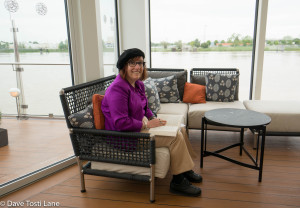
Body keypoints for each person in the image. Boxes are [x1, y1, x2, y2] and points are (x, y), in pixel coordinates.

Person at [101, 48, 202, 197]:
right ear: (123, 66)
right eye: (132, 63)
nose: (137, 67)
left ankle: (185, 170)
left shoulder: (138, 84)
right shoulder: (117, 89)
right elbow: (120, 123)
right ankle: (178, 182)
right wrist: (146, 125)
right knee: (175, 138)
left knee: (179, 129)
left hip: (138, 129)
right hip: (126, 137)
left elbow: (145, 108)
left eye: (140, 63)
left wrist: (153, 118)